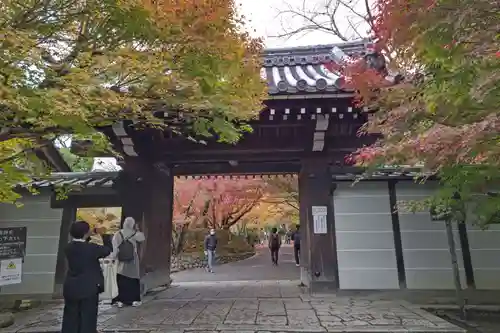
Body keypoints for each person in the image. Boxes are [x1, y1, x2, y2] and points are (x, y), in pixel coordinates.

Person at [61, 220, 111, 333]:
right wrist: (104, 235)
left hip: (71, 287)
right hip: (89, 288)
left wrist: (88, 234)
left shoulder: (68, 248)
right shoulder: (92, 248)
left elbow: (81, 244)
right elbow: (107, 250)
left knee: (71, 318)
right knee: (88, 319)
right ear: (85, 233)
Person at [110, 217, 145, 308]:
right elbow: (142, 238)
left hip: (121, 259)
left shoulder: (117, 234)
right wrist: (137, 229)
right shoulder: (136, 234)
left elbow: (115, 248)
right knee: (133, 279)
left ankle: (120, 300)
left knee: (121, 278)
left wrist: (112, 258)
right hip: (132, 259)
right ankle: (134, 300)